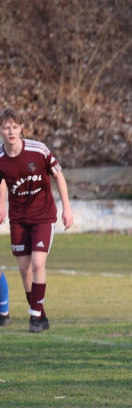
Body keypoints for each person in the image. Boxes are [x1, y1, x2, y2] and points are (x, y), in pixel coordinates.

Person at [0, 108, 74, 332]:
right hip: (18, 218)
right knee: (24, 269)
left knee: (38, 263)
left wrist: (67, 208)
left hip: (43, 215)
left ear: (21, 127)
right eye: (6, 127)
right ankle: (40, 314)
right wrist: (1, 205)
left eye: (14, 126)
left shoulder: (38, 150)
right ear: (1, 130)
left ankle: (34, 318)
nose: (11, 131)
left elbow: (58, 175)